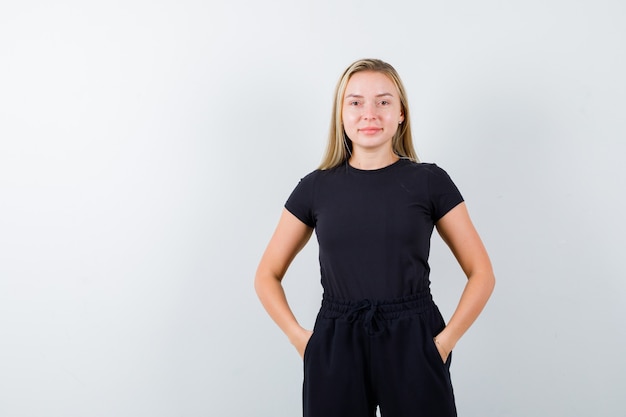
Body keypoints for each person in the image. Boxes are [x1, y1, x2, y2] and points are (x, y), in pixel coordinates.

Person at [254, 58, 495, 417]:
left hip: (413, 338)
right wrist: (301, 339)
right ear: (341, 113)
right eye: (355, 102)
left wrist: (443, 344)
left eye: (383, 101)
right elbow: (266, 275)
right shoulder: (315, 188)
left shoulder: (430, 182)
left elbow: (482, 272)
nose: (370, 113)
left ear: (401, 113)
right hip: (336, 340)